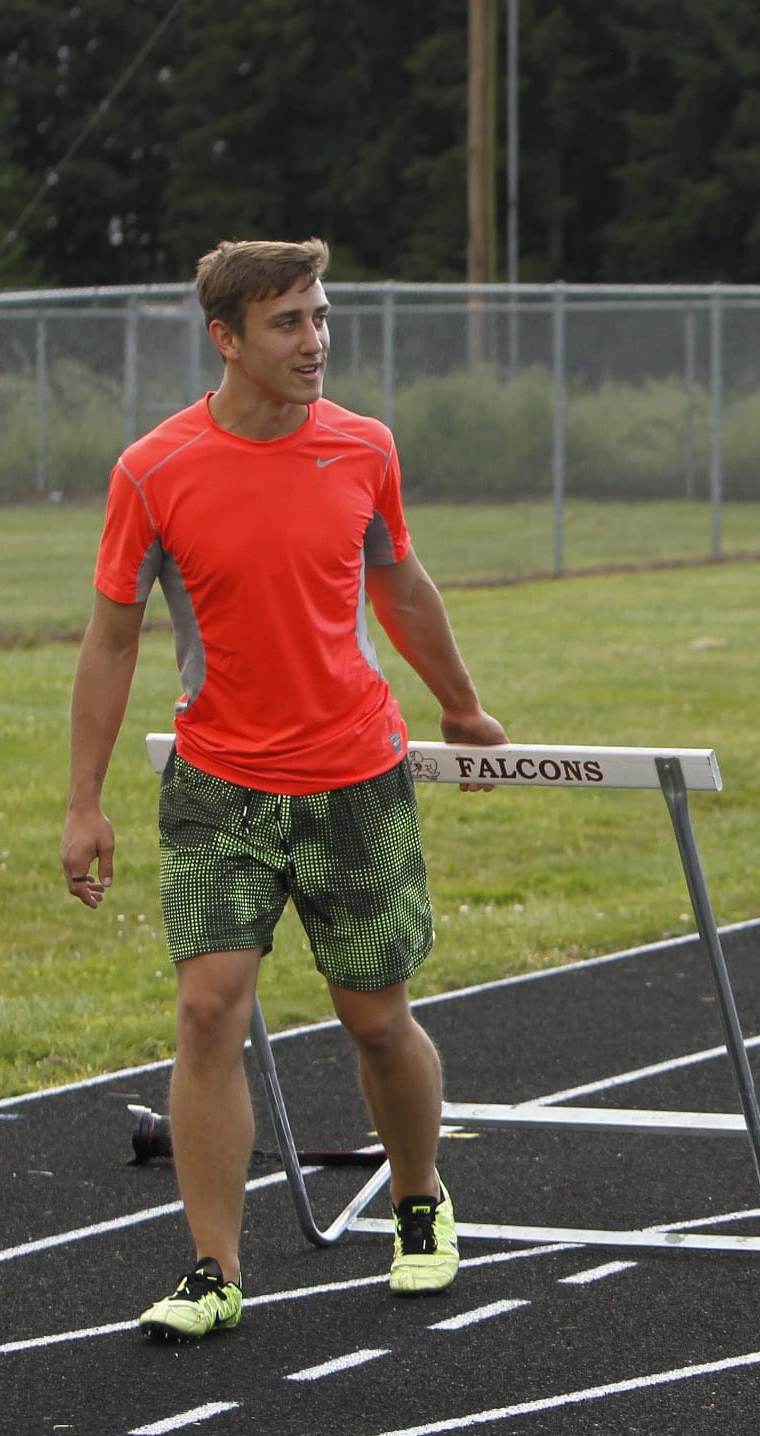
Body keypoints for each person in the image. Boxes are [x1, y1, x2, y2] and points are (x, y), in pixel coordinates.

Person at [61, 238, 507, 1341]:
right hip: (219, 787)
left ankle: (418, 1197)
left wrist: (458, 701)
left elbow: (397, 580)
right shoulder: (153, 471)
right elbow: (112, 640)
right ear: (226, 337)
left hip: (354, 775)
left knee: (374, 1017)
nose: (313, 342)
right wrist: (84, 801)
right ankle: (214, 1266)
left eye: (319, 318)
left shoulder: (362, 447)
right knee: (208, 1010)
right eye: (286, 323)